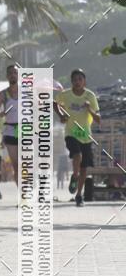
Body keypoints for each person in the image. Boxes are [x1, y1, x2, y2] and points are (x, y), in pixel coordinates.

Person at [54, 68, 101, 207]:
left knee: (84, 168)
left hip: (86, 135)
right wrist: (61, 115)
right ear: (71, 82)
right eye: (75, 80)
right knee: (77, 155)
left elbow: (98, 119)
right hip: (71, 133)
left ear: (84, 81)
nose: (77, 82)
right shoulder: (66, 94)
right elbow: (54, 103)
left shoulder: (90, 96)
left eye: (80, 79)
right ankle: (74, 176)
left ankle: (79, 195)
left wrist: (89, 108)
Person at [0, 63, 19, 184]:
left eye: (15, 73)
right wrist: (0, 113)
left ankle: (29, 187)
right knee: (16, 165)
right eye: (10, 73)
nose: (13, 75)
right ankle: (23, 193)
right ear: (7, 76)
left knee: (26, 163)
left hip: (25, 129)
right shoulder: (2, 94)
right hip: (10, 130)